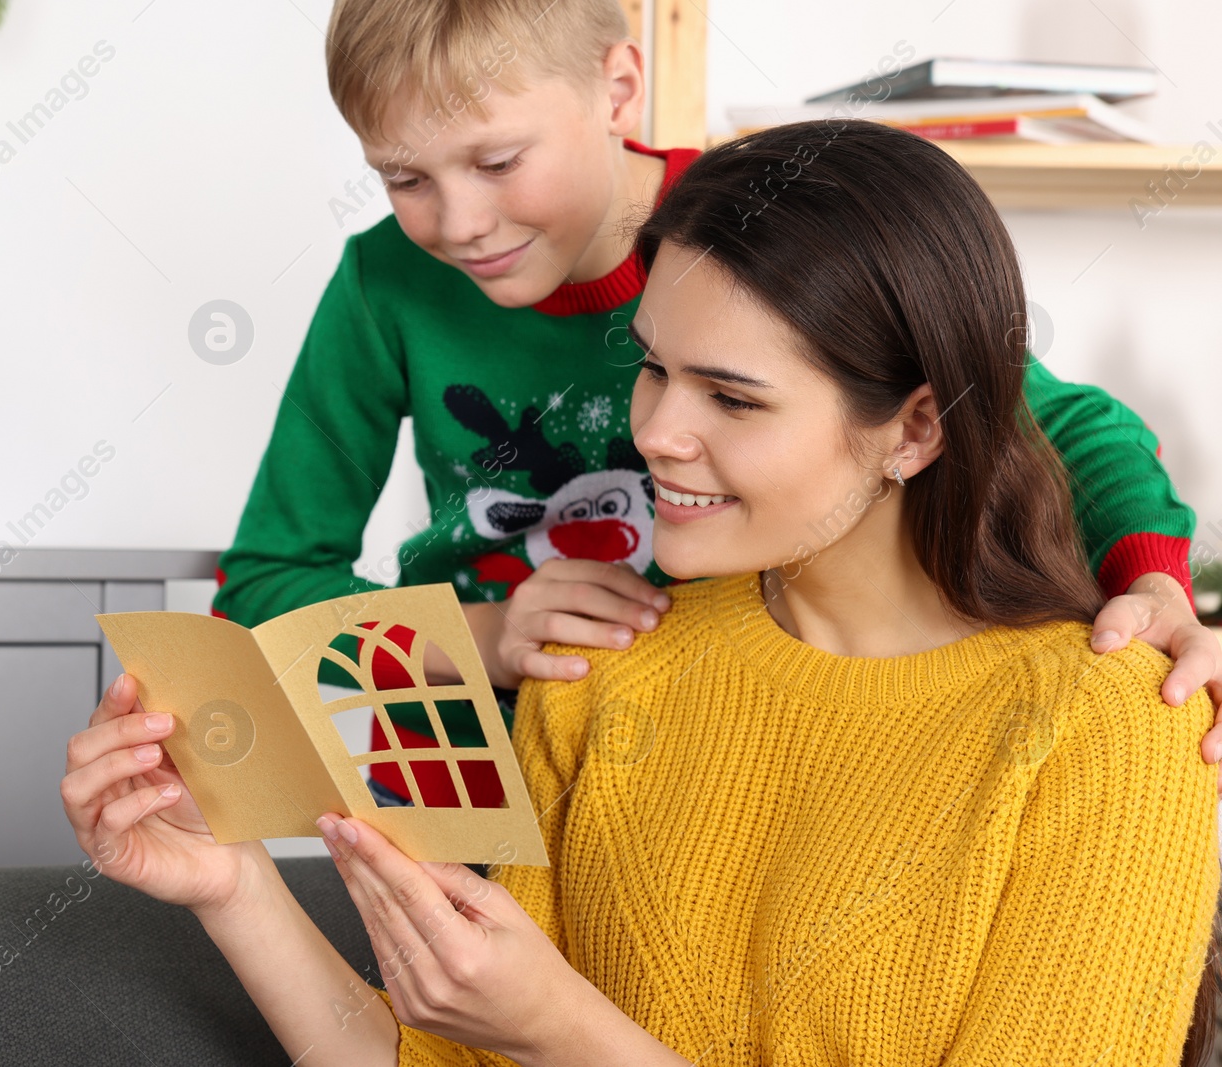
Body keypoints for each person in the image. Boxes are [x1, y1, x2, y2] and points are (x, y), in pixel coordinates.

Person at [61, 120, 1221, 1065]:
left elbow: (543, 1036)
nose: (656, 432)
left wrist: (566, 1033)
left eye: (733, 396)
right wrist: (229, 885)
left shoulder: (1112, 726)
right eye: (655, 367)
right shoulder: (605, 661)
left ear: (915, 425)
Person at [210, 0, 1222, 811]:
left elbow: (1050, 418)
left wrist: (1159, 593)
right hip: (477, 776)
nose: (461, 222)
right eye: (403, 178)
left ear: (617, 85)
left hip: (709, 746)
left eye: (498, 160)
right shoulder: (382, 283)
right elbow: (264, 589)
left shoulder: (757, 229)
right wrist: (481, 634)